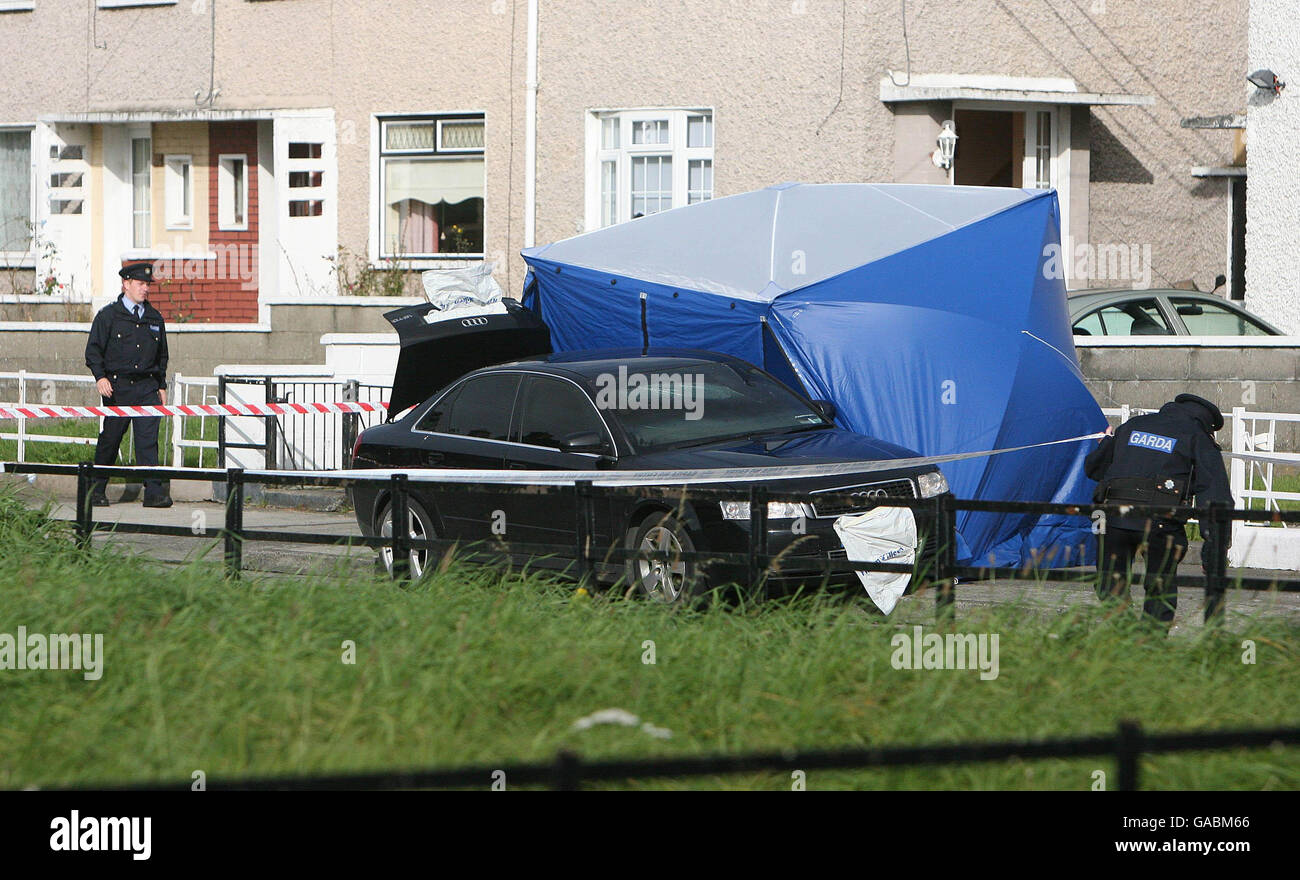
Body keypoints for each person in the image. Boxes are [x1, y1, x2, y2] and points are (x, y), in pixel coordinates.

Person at [1084, 393, 1232, 627]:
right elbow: (1215, 496)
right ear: (1207, 425)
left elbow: (1093, 469)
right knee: (1159, 590)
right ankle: (1150, 644)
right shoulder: (1198, 437)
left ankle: (1122, 635)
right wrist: (1214, 549)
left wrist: (1105, 446)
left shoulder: (1133, 425)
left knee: (1110, 583)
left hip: (1112, 518)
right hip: (1160, 523)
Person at [84, 262, 171, 507]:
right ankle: (96, 490)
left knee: (147, 440)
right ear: (126, 284)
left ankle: (153, 492)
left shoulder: (154, 317)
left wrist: (161, 385)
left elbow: (161, 355)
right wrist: (100, 377)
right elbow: (93, 351)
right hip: (118, 387)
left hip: (146, 387)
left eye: (147, 285)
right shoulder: (109, 316)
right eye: (141, 284)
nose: (145, 289)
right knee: (111, 439)